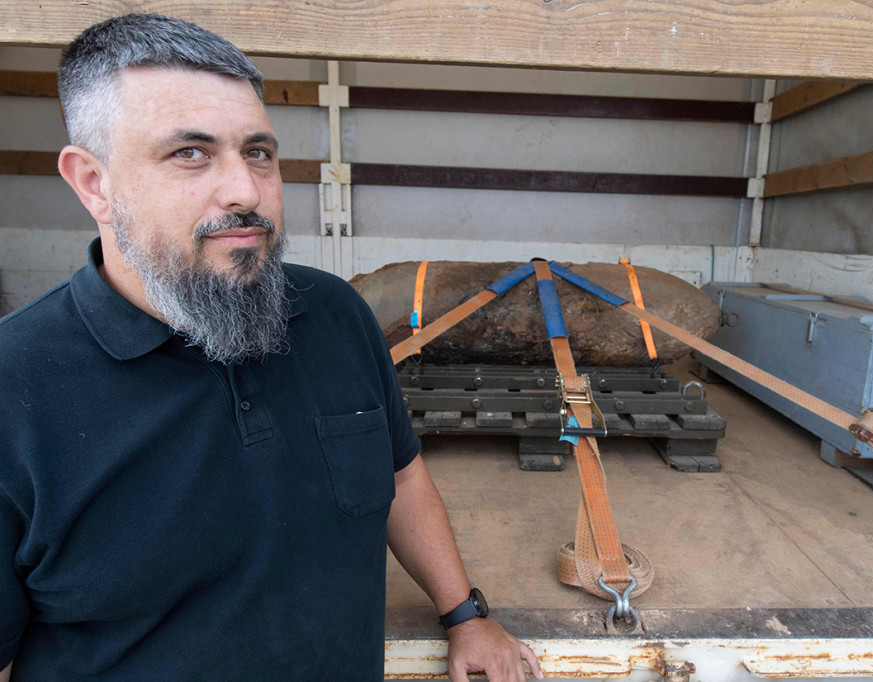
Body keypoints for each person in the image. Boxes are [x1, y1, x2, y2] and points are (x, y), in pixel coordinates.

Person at [0, 13, 542, 682]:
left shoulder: (333, 315)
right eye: (190, 153)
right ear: (93, 183)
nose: (246, 192)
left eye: (257, 151)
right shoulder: (13, 388)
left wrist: (464, 614)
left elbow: (399, 478)